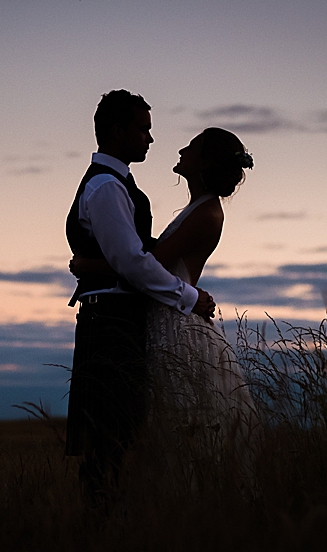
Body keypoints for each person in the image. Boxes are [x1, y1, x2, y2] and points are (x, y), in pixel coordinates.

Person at [71, 127, 259, 493]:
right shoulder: (196, 208)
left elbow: (148, 262)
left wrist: (90, 265)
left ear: (203, 163)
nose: (180, 149)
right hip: (164, 316)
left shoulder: (207, 214)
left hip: (176, 324)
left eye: (190, 146)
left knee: (182, 425)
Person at [64, 90, 216, 505]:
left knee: (120, 436)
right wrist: (189, 297)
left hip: (115, 320)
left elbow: (133, 253)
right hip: (110, 322)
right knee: (111, 439)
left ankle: (108, 528)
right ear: (117, 131)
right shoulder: (107, 188)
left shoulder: (114, 185)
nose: (150, 139)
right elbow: (132, 262)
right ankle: (98, 533)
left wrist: (92, 266)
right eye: (143, 129)